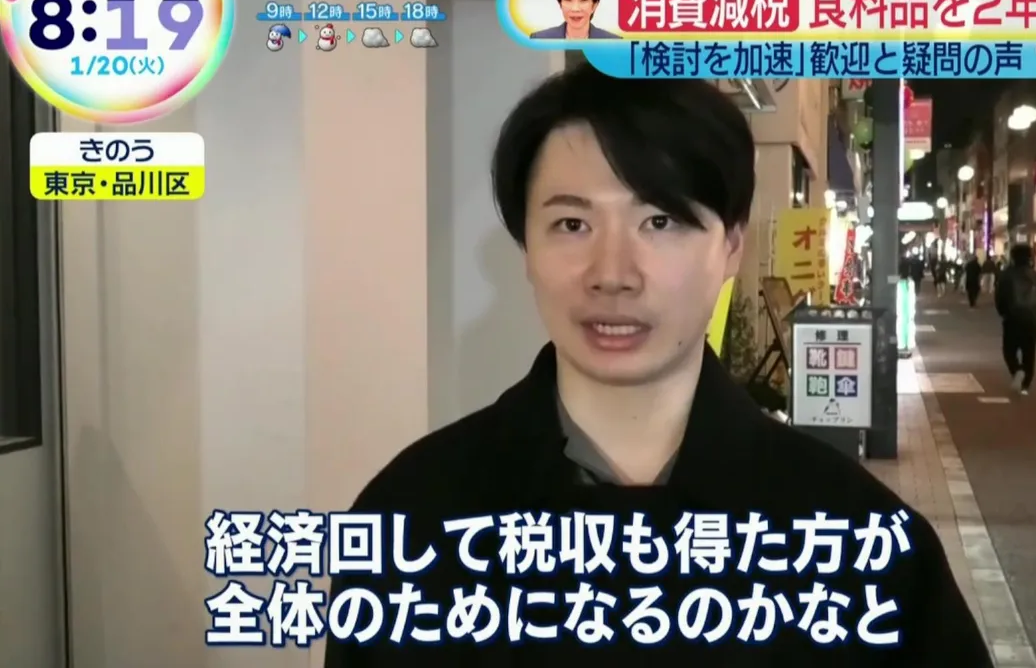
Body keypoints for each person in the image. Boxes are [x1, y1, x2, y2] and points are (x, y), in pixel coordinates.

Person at [324, 64, 991, 666]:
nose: (612, 274)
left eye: (661, 222)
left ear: (731, 246)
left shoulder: (859, 543)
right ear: (526, 248)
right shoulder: (414, 520)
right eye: (572, 225)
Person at [994, 244, 1036, 395]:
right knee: (1029, 352)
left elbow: (999, 297)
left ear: (1013, 257)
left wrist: (1004, 313)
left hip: (1012, 318)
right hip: (1032, 319)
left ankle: (1017, 370)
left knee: (1009, 350)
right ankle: (1025, 385)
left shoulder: (1006, 275)